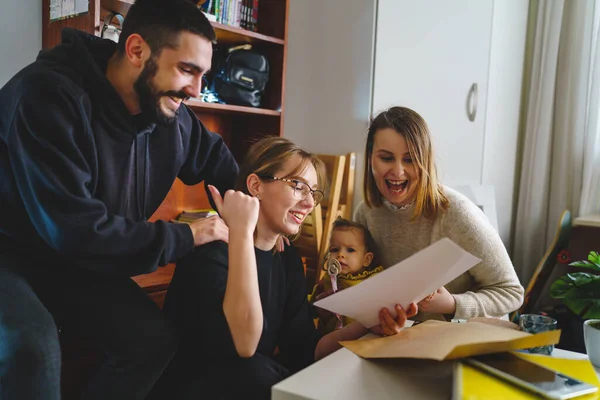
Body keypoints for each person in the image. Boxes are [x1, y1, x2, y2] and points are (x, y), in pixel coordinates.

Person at [0, 0, 239, 399]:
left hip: (72, 261)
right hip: (11, 255)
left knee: (152, 340)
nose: (197, 90)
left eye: (203, 75)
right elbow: (76, 231)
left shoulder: (169, 113)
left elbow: (221, 164)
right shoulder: (48, 95)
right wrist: (186, 236)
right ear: (136, 50)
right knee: (31, 351)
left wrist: (261, 207)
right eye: (187, 70)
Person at [157, 137, 417, 400]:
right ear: (256, 185)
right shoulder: (210, 252)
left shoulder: (287, 258)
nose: (308, 203)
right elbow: (244, 350)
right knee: (257, 371)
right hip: (195, 389)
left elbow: (304, 348)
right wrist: (243, 233)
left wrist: (367, 324)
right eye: (298, 186)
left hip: (250, 386)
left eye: (313, 193)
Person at [354, 106, 524, 322]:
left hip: (461, 339)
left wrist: (452, 304)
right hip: (402, 337)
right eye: (386, 158)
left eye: (409, 159)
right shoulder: (365, 213)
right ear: (370, 159)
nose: (397, 171)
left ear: (425, 161)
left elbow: (511, 293)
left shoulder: (457, 214)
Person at [310, 217, 384, 335]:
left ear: (367, 259)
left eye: (350, 250)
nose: (340, 254)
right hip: (329, 341)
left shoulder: (374, 281)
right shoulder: (329, 278)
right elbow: (313, 309)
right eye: (334, 249)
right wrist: (319, 305)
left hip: (363, 340)